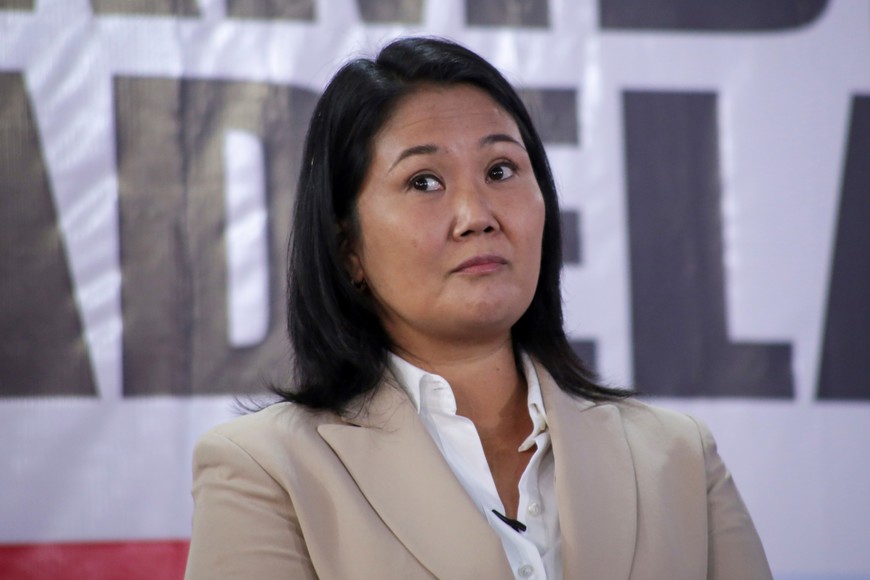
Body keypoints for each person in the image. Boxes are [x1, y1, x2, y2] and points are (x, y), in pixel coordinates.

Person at [184, 37, 772, 579]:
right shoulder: (266, 469)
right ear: (348, 250)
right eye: (424, 182)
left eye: (501, 170)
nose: (478, 215)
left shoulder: (677, 458)